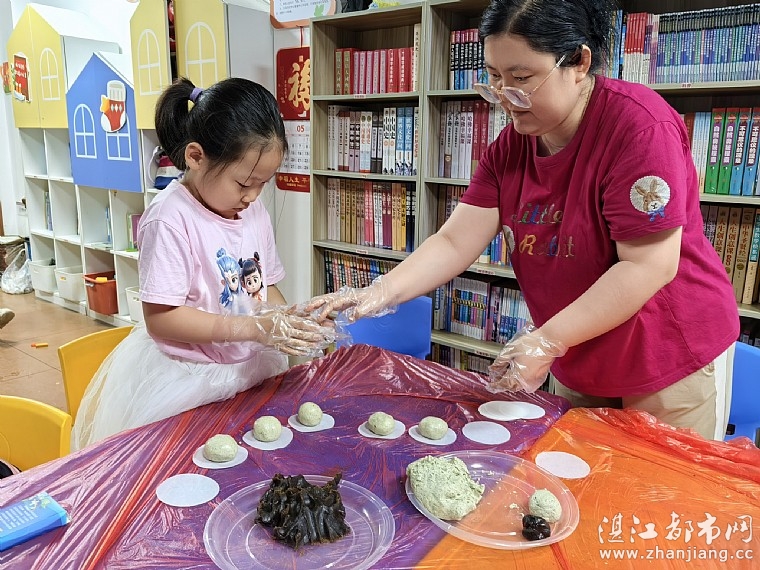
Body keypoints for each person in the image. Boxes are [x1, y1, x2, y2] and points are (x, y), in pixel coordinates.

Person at [307, 0, 739, 441]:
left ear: (578, 62)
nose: (505, 96)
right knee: (577, 473)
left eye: (522, 78)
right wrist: (378, 292)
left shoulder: (639, 128)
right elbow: (455, 242)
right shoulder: (512, 145)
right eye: (494, 77)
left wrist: (549, 339)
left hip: (667, 351)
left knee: (661, 479)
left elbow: (648, 264)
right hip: (578, 347)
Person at [72, 77, 335, 450]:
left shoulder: (253, 211)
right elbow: (162, 318)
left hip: (249, 366)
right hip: (189, 377)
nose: (253, 196)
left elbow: (264, 289)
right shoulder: (170, 219)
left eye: (263, 183)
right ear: (196, 157)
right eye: (243, 183)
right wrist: (252, 328)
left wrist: (291, 323)